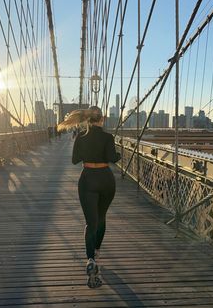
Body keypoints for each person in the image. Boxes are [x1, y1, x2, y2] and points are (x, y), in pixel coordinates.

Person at [58, 106, 121, 288]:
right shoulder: (108, 137)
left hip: (87, 180)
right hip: (106, 180)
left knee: (90, 223)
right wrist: (118, 155)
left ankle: (90, 259)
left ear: (87, 120)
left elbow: (74, 160)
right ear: (102, 119)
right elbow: (112, 157)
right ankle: (97, 251)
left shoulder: (80, 137)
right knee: (101, 218)